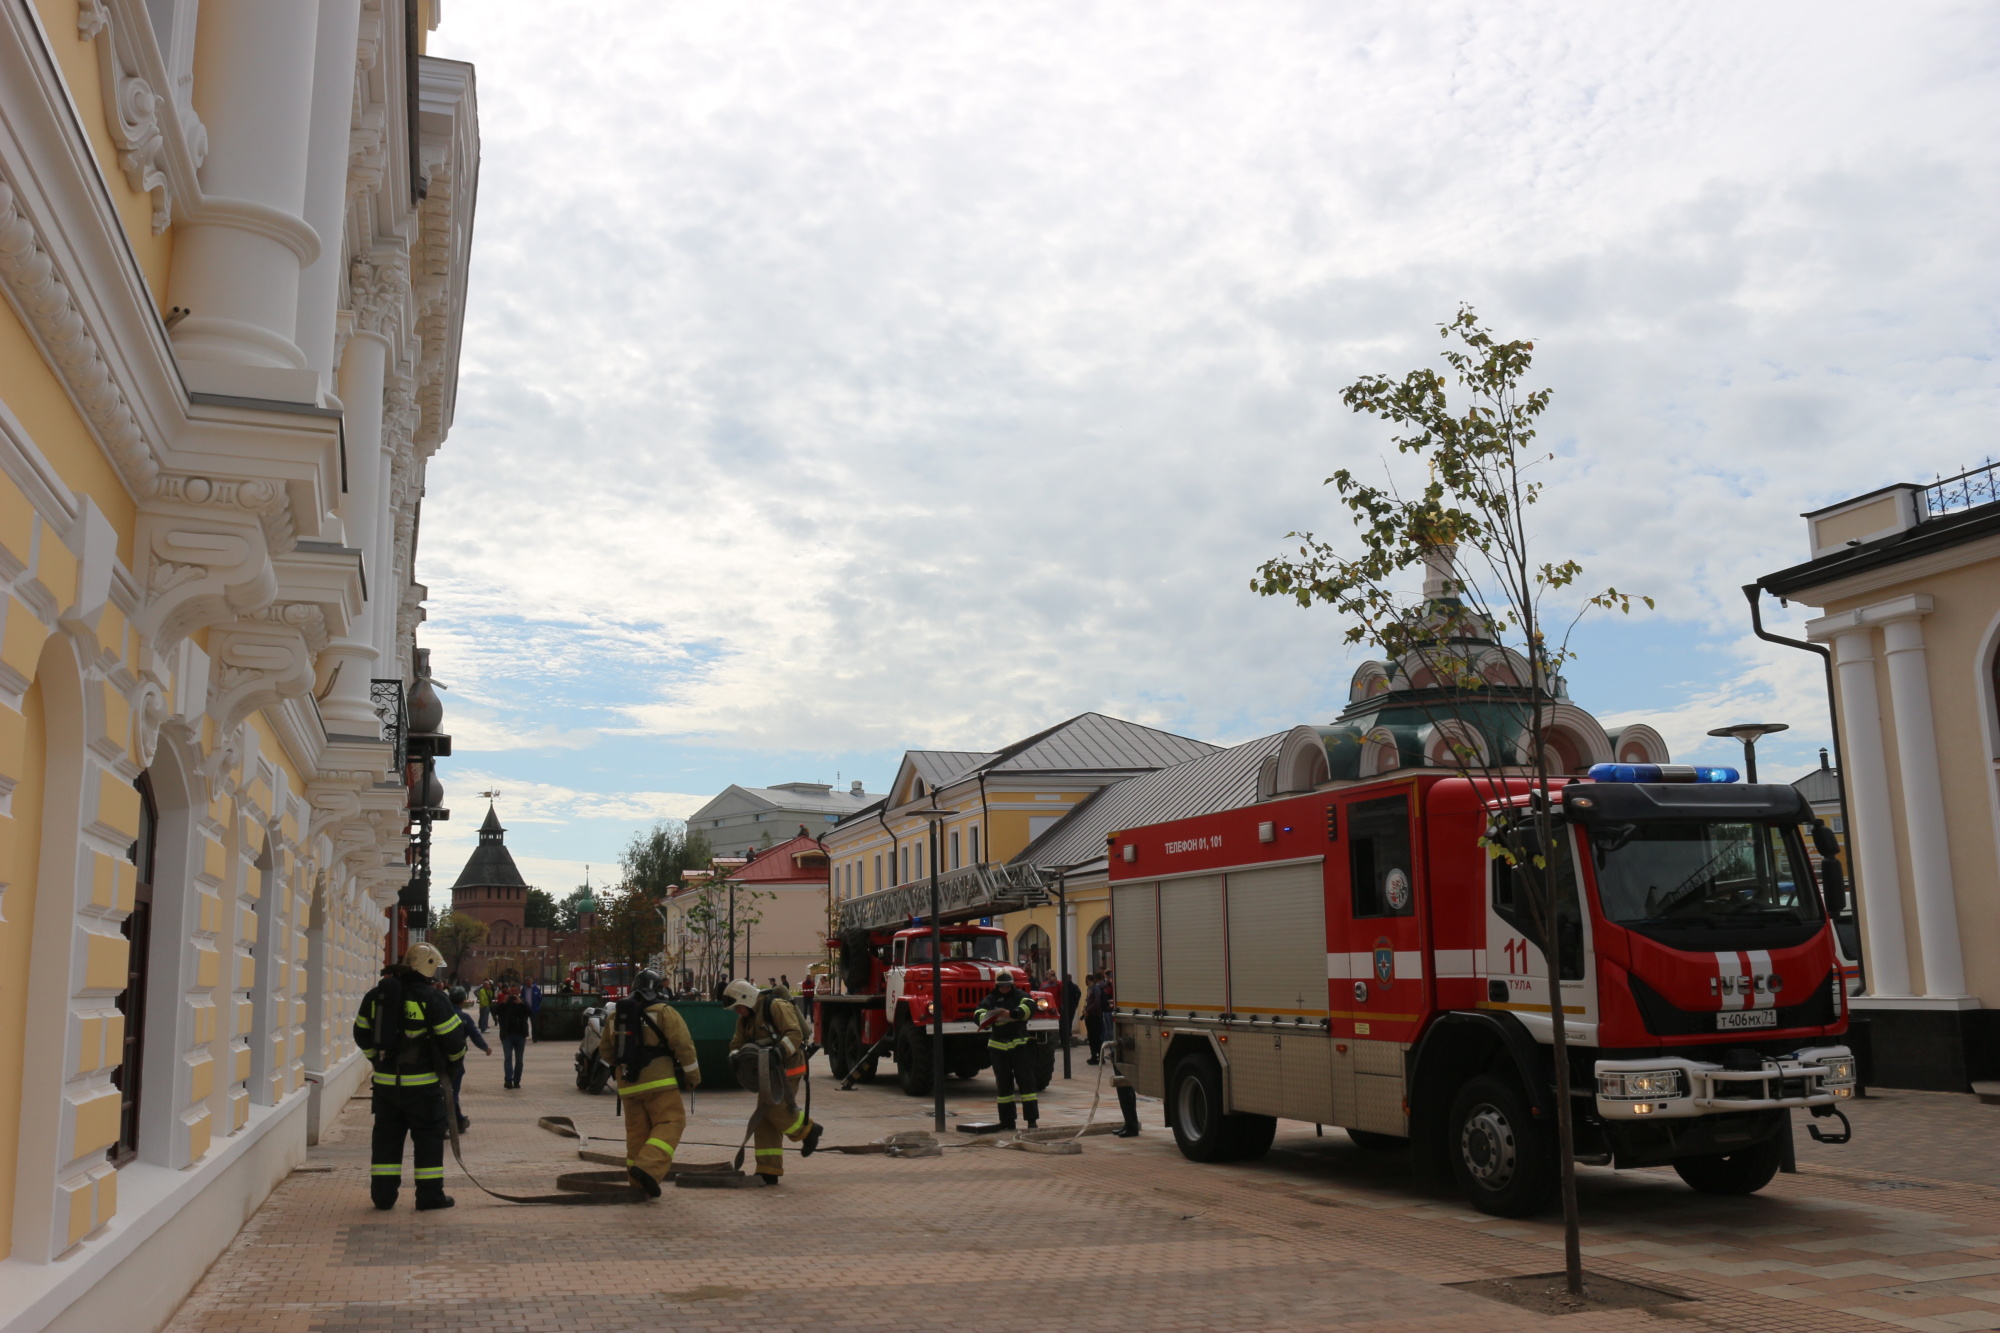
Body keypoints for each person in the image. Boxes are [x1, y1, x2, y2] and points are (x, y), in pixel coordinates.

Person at [354, 943, 467, 1210]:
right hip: (424, 1088)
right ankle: (429, 1197)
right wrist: (451, 1068)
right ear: (428, 966)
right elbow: (455, 1043)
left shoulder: (376, 996)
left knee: (386, 1141)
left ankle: (383, 1197)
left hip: (385, 1088)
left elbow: (360, 1033)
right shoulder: (433, 998)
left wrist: (376, 1061)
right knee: (428, 1141)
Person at [600, 969, 700, 1197]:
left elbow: (606, 1051)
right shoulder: (664, 1012)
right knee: (672, 1122)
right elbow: (684, 1046)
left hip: (627, 1085)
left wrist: (624, 1068)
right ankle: (647, 1168)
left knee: (637, 1134)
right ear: (657, 989)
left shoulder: (616, 1015)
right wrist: (693, 1076)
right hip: (659, 1082)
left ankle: (638, 1185)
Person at [724, 978, 823, 1184]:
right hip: (767, 1072)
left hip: (788, 1067)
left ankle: (808, 1131)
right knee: (764, 1118)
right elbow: (737, 1042)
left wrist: (778, 1052)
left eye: (738, 1007)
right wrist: (735, 1056)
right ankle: (768, 1169)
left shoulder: (775, 1006)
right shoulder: (745, 1017)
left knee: (775, 1109)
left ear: (747, 998)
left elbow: (794, 1033)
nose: (737, 1012)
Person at [974, 971, 1038, 1130]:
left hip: (1019, 1046)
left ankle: (1031, 1120)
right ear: (997, 986)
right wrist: (986, 1018)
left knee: (1026, 1083)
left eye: (1008, 986)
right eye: (1002, 986)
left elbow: (1030, 1006)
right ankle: (1007, 1121)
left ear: (1012, 985)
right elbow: (978, 1013)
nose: (1005, 989)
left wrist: (1012, 1013)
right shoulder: (991, 999)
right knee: (1003, 1085)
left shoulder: (1019, 995)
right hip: (998, 1048)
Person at [445, 986, 492, 1130]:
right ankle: (452, 1121)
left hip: (438, 1060)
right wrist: (485, 1047)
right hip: (456, 1061)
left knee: (443, 1090)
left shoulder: (442, 1015)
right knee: (453, 1091)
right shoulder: (463, 1018)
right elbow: (475, 1034)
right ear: (463, 1001)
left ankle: (456, 1119)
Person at [492, 985, 532, 1088]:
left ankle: (517, 1080)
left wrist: (521, 1003)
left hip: (520, 1036)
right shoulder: (506, 1003)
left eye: (515, 991)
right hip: (508, 1036)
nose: (513, 993)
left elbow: (530, 1012)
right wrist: (503, 1003)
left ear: (519, 992)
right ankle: (508, 1080)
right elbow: (495, 1011)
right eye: (511, 991)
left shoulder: (522, 1002)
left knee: (519, 1060)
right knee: (508, 1058)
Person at [1083, 972, 1107, 1064]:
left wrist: (1087, 1010)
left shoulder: (1095, 989)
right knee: (1093, 1037)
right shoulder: (1091, 989)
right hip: (1092, 1016)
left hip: (1094, 1016)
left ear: (1089, 980)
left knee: (1095, 1037)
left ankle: (1097, 1056)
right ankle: (1095, 1056)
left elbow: (1096, 1003)